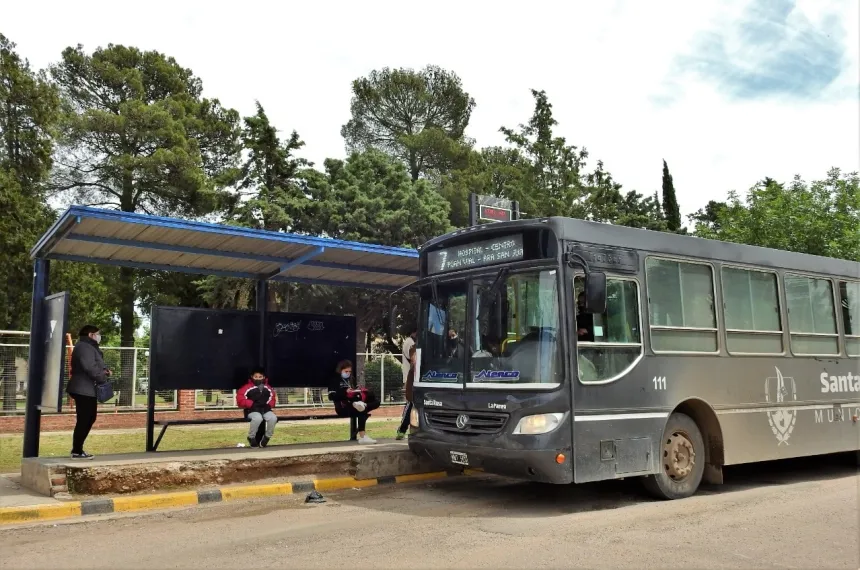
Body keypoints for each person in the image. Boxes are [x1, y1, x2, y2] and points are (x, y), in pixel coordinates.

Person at [67, 325, 111, 460]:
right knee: (85, 419)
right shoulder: (85, 347)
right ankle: (77, 451)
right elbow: (90, 368)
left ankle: (77, 450)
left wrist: (104, 370)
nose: (99, 336)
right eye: (97, 334)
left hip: (86, 389)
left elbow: (93, 365)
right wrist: (103, 374)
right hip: (83, 390)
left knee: (88, 418)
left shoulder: (87, 347)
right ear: (91, 335)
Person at [328, 360, 380, 444]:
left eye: (349, 371)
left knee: (376, 402)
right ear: (340, 370)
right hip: (343, 407)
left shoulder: (351, 379)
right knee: (362, 410)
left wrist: (357, 390)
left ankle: (363, 404)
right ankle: (363, 437)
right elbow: (331, 397)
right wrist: (345, 392)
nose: (348, 373)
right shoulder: (335, 380)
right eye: (346, 371)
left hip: (355, 403)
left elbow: (355, 391)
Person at [236, 367, 278, 448]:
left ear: (264, 377)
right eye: (256, 377)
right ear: (252, 377)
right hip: (251, 410)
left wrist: (268, 405)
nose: (258, 378)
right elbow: (240, 399)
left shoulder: (268, 388)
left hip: (265, 410)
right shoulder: (246, 387)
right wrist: (251, 404)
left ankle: (267, 437)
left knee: (273, 418)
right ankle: (251, 437)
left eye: (260, 377)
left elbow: (272, 398)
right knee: (258, 418)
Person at [396, 346, 417, 440]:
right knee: (408, 411)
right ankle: (401, 431)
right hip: (412, 395)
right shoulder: (412, 370)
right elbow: (409, 387)